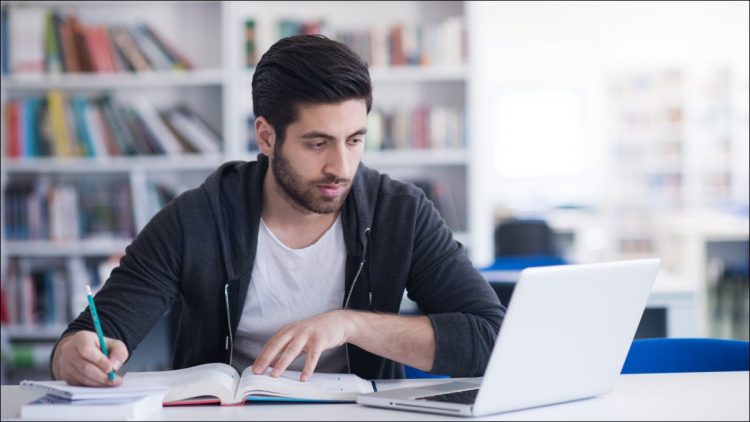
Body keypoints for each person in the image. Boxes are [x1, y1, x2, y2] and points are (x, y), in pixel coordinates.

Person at [50, 35, 505, 387]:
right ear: (266, 137)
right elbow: (91, 332)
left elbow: (488, 339)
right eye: (317, 143)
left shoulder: (399, 214)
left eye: (355, 140)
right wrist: (75, 354)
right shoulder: (195, 219)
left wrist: (349, 325)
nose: (341, 168)